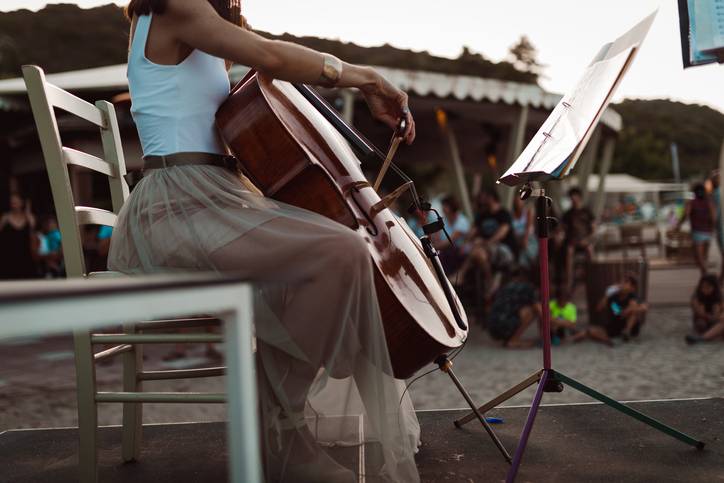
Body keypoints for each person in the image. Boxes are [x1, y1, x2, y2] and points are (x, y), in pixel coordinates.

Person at [112, 2, 419, 482]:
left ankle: (277, 424)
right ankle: (281, 428)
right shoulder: (176, 5)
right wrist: (370, 78)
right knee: (338, 252)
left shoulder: (204, 22)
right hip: (178, 209)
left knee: (333, 252)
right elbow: (270, 57)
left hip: (211, 201)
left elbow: (269, 56)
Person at [576, 275, 648, 346]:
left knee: (634, 306)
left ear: (632, 288)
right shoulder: (613, 296)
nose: (622, 284)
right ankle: (606, 340)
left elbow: (644, 307)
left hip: (630, 326)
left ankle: (626, 332)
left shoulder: (633, 296)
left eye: (626, 282)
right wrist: (607, 295)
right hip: (615, 323)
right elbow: (599, 308)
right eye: (621, 282)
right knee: (591, 331)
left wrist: (629, 310)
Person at [677, 182, 715, 275]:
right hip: (708, 232)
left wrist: (679, 224)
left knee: (699, 258)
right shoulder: (709, 202)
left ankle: (705, 275)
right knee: (704, 257)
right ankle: (705, 277)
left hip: (697, 231)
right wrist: (712, 229)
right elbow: (713, 217)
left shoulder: (691, 203)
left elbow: (686, 214)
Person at [561, 187, 595, 290]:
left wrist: (588, 239)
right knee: (569, 251)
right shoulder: (568, 214)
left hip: (585, 241)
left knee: (590, 250)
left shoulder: (587, 211)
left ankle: (590, 275)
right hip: (572, 241)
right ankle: (569, 279)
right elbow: (563, 229)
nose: (573, 199)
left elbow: (593, 228)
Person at [0, 194, 39, 279]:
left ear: (21, 203)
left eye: (16, 202)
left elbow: (34, 237)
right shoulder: (5, 218)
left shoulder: (29, 218)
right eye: (12, 202)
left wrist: (29, 217)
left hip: (25, 257)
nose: (14, 204)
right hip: (8, 257)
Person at [433, 195, 470, 275]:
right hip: (446, 251)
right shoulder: (443, 220)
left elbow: (450, 241)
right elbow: (436, 237)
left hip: (459, 251)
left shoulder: (462, 221)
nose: (442, 208)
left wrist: (434, 247)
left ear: (452, 207)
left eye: (445, 206)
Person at [512, 195, 537, 269]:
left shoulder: (528, 211)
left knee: (526, 250)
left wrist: (525, 239)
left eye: (519, 201)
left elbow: (528, 226)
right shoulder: (512, 214)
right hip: (517, 239)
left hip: (528, 238)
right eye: (515, 201)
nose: (517, 203)